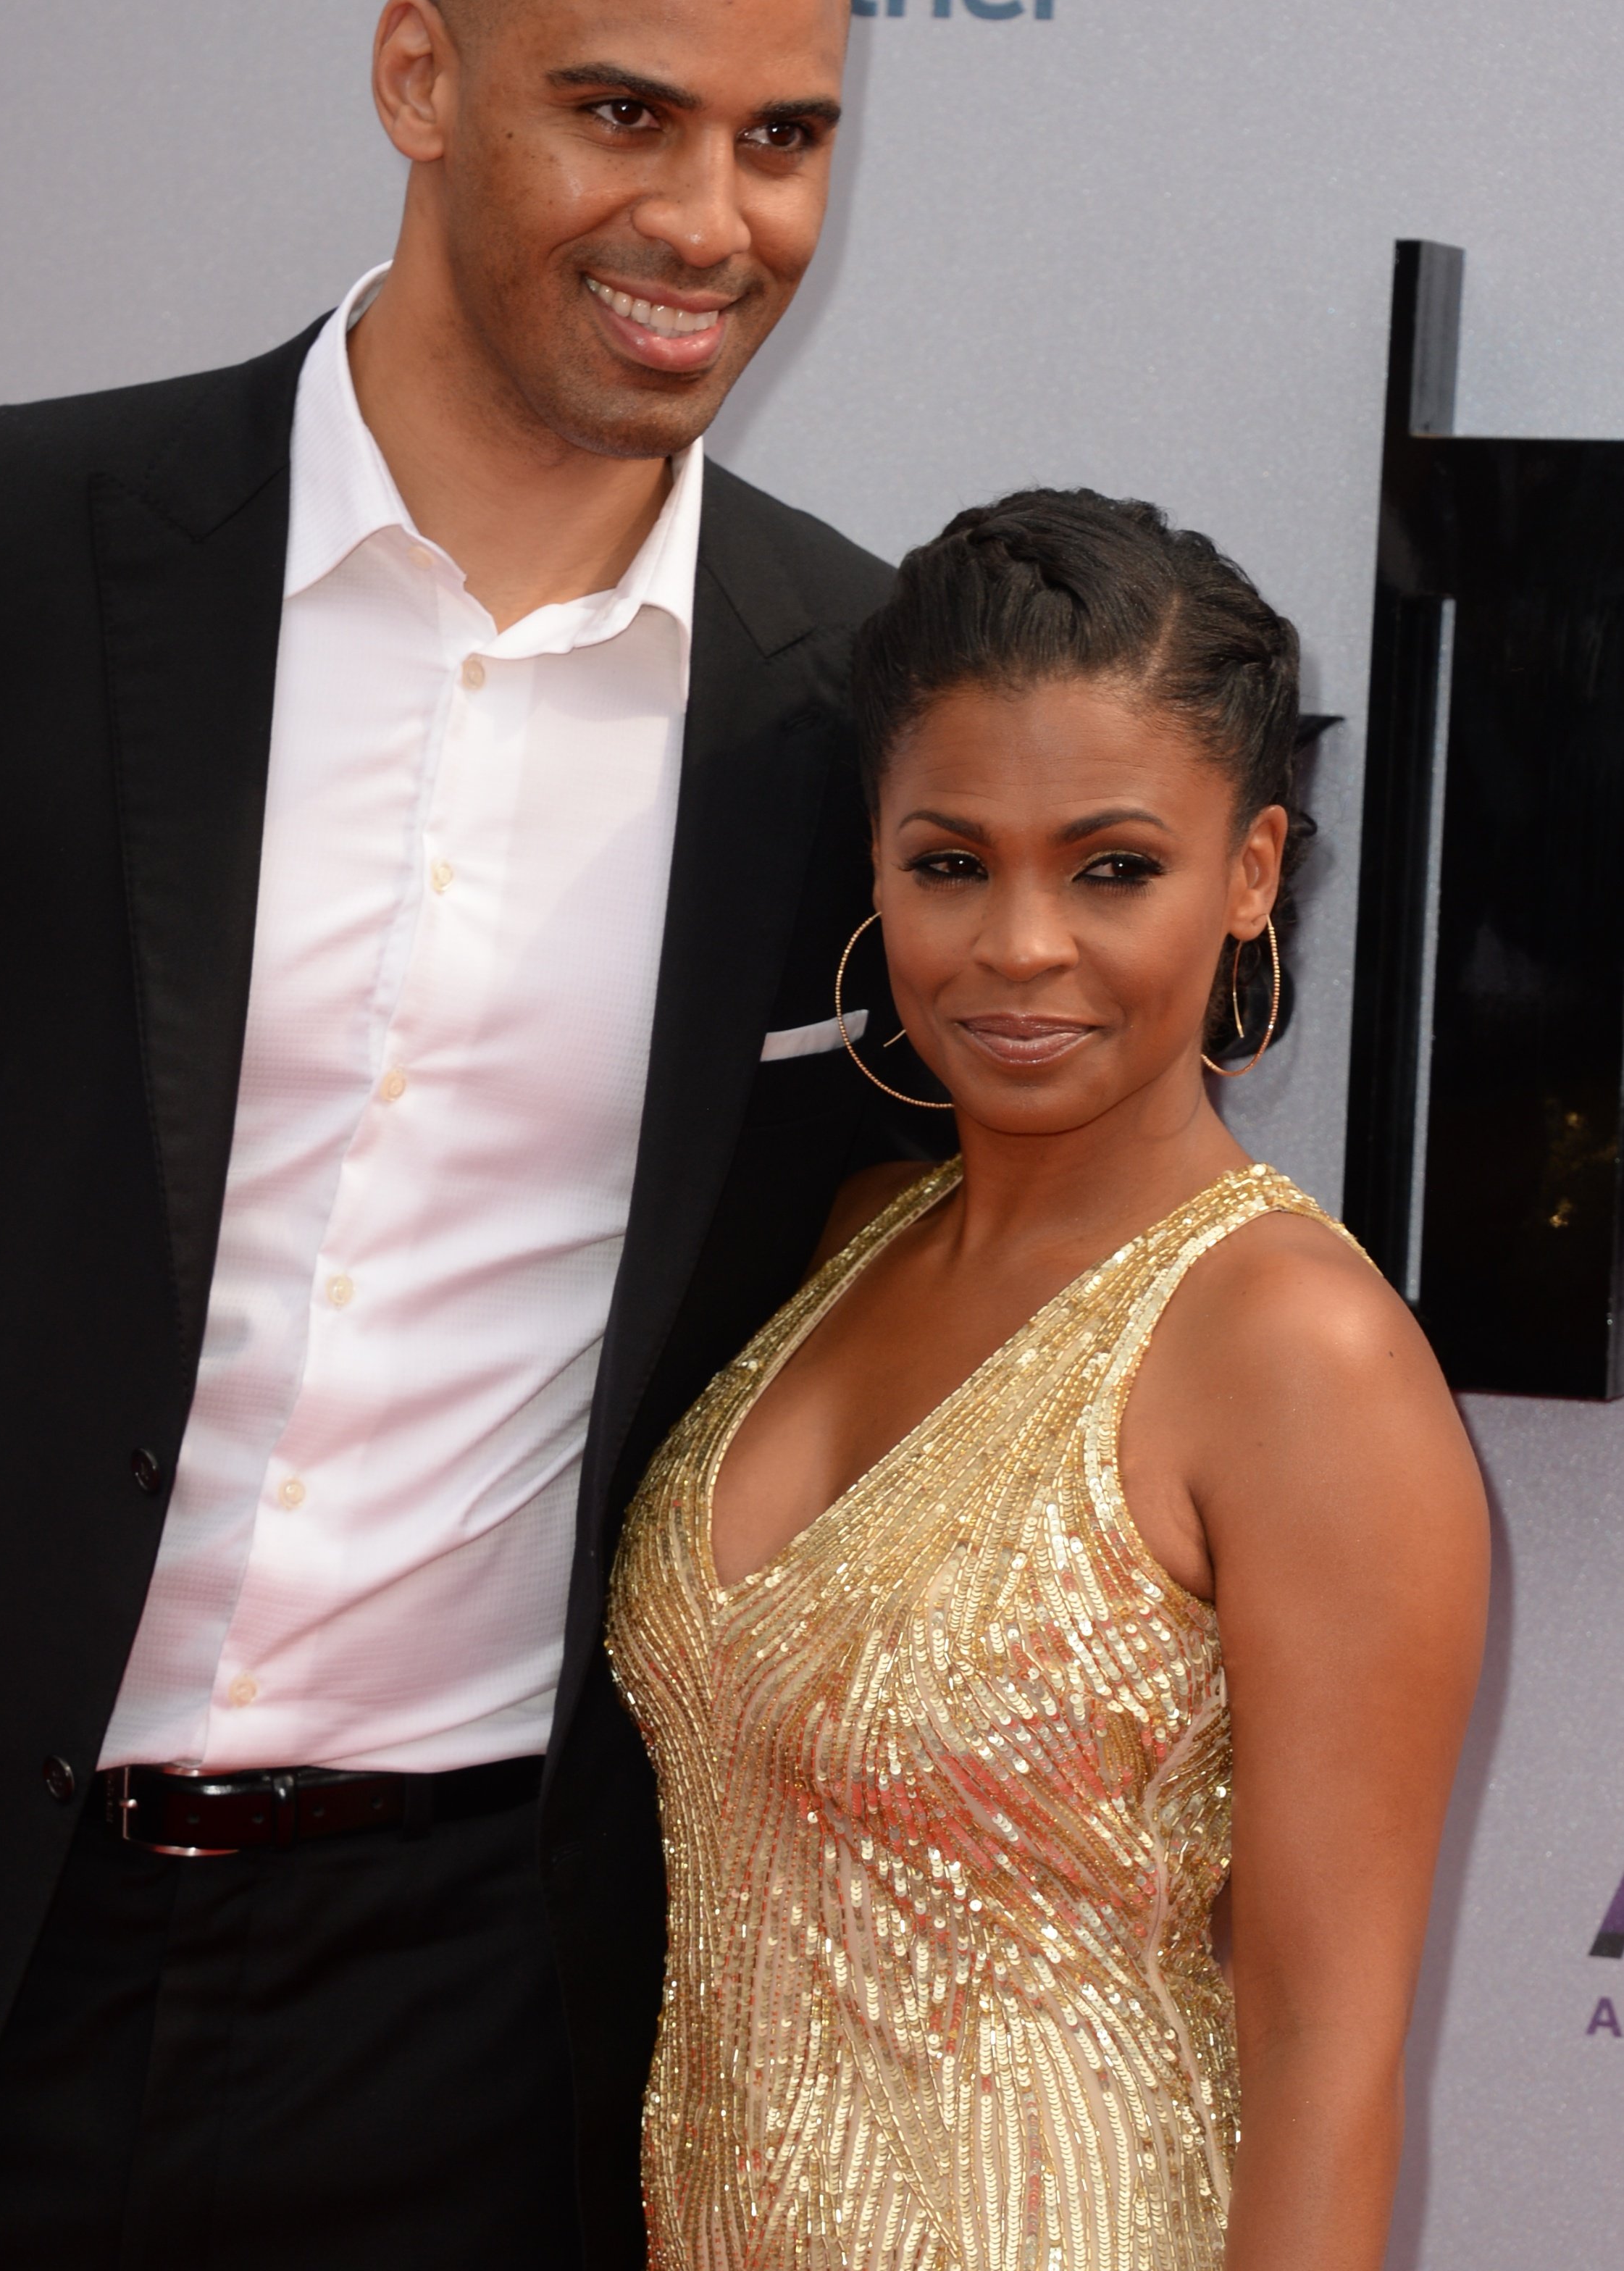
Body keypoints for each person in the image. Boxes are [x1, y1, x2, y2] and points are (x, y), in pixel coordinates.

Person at [0, 0, 942, 2271]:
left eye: (781, 136)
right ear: (417, 75)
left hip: (484, 2012)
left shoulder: (864, 730)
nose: (707, 223)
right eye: (622, 111)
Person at [608, 487, 1490, 2271]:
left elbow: (1327, 2059)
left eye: (1111, 868)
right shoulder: (850, 1233)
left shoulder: (1293, 1351)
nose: (1017, 948)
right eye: (952, 863)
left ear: (1249, 872)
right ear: (877, 862)